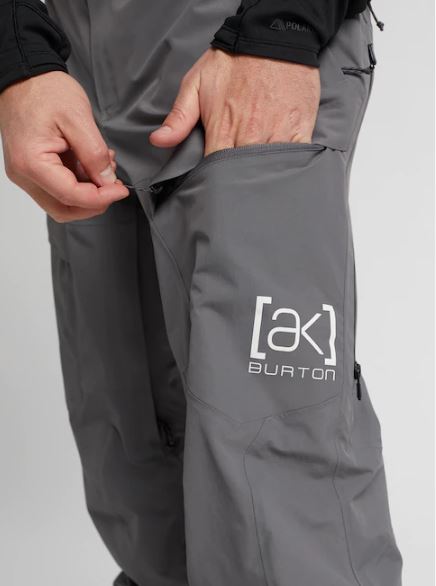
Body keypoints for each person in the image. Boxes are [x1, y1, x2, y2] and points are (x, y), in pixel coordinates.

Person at [0, 1, 402, 585]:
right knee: (138, 478)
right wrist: (17, 54)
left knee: (278, 500)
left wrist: (283, 23)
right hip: (74, 72)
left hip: (239, 46)